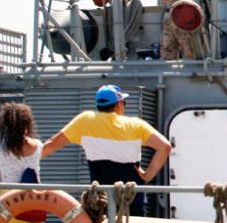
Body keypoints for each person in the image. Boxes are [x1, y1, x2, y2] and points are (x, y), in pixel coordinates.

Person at [44, 85, 172, 215]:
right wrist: (147, 176)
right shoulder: (136, 125)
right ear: (119, 105)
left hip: (100, 201)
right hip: (131, 200)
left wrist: (28, 159)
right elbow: (165, 146)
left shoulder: (85, 121)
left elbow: (52, 144)